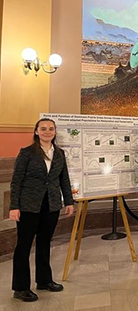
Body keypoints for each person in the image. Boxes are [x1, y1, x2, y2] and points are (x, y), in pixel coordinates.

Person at [9, 118, 74, 302]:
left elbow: (64, 180)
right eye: (43, 129)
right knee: (24, 246)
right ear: (36, 132)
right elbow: (16, 181)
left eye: (51, 129)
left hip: (51, 205)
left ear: (55, 132)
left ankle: (44, 280)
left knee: (45, 242)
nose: (47, 131)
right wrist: (14, 206)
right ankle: (20, 288)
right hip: (29, 206)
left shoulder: (59, 153)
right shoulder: (27, 153)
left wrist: (68, 201)